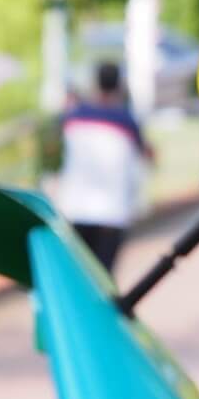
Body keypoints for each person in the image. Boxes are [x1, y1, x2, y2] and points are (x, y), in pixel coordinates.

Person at [55, 61, 156, 275]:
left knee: (80, 274)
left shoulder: (74, 116)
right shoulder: (126, 120)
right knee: (104, 277)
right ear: (119, 85)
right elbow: (148, 154)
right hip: (113, 211)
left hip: (76, 207)